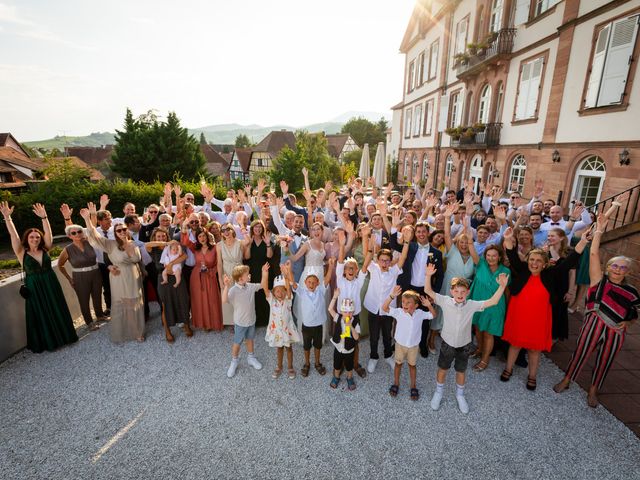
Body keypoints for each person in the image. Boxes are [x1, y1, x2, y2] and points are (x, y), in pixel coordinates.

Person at [554, 213, 639, 407]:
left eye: (623, 268)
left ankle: (593, 389)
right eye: (614, 266)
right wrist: (599, 231)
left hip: (616, 330)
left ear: (628, 272)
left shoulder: (631, 291)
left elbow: (634, 312)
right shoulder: (598, 281)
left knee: (606, 360)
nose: (618, 269)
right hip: (594, 324)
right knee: (581, 352)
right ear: (608, 268)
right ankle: (567, 379)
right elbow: (593, 254)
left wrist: (628, 322)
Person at [500, 226, 589, 390]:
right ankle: (508, 369)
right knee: (515, 345)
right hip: (519, 316)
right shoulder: (522, 271)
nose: (534, 263)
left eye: (538, 261)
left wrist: (583, 241)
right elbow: (512, 255)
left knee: (534, 350)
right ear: (527, 261)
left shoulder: (551, 274)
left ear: (545, 263)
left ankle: (532, 376)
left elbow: (570, 261)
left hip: (539, 319)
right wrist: (507, 238)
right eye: (532, 260)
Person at [424, 266, 509, 413]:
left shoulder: (471, 305)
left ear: (468, 292)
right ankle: (438, 392)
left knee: (461, 371)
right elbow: (428, 291)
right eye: (456, 291)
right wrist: (428, 275)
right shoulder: (445, 301)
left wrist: (502, 287)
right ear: (451, 292)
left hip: (464, 345)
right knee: (443, 368)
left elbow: (493, 301)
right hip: (447, 344)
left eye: (463, 291)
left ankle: (460, 395)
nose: (459, 294)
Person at [0, 202, 78, 352]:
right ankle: (49, 341)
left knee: (56, 307)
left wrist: (44, 217)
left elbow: (48, 234)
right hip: (34, 286)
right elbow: (14, 236)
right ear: (27, 239)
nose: (35, 239)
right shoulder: (21, 252)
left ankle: (65, 336)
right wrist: (7, 218)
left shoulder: (45, 249)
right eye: (31, 237)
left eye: (37, 237)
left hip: (50, 282)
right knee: (40, 311)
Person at [81, 203, 146, 342]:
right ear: (115, 233)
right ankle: (135, 331)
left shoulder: (133, 244)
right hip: (119, 277)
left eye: (123, 229)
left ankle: (137, 326)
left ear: (127, 230)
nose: (122, 232)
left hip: (134, 275)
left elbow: (138, 258)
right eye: (119, 231)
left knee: (136, 302)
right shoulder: (110, 245)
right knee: (126, 302)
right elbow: (94, 235)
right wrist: (88, 219)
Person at [364, 227, 409, 374]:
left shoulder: (394, 271)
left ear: (390, 262)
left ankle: (388, 355)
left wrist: (407, 242)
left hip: (388, 309)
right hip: (373, 308)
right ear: (378, 260)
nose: (384, 263)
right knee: (374, 335)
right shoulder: (373, 268)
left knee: (387, 334)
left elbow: (402, 258)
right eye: (382, 260)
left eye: (387, 261)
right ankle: (373, 356)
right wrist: (369, 243)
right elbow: (367, 256)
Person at [383, 286, 435, 401]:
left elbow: (433, 315)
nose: (404, 304)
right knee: (398, 364)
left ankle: (413, 386)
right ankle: (396, 383)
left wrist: (429, 305)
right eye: (403, 302)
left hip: (413, 346)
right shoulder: (399, 312)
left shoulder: (420, 313)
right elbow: (384, 308)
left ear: (416, 305)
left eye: (408, 302)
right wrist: (392, 296)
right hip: (400, 345)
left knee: (412, 365)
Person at [287, 258, 335, 378]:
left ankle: (317, 362)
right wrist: (288, 270)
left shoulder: (320, 290)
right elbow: (293, 282)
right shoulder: (302, 292)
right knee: (307, 346)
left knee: (318, 345)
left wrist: (331, 267)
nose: (311, 284)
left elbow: (328, 279)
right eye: (309, 282)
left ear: (318, 283)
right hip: (307, 325)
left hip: (318, 324)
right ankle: (307, 363)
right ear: (305, 283)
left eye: (314, 282)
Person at [145, 227, 191, 343]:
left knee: (183, 300)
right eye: (159, 236)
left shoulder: (173, 246)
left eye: (164, 236)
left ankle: (186, 325)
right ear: (155, 237)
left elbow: (184, 256)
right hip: (163, 278)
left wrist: (171, 264)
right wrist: (165, 243)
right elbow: (147, 244)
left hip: (177, 276)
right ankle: (167, 330)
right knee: (165, 304)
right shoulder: (153, 249)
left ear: (167, 236)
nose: (161, 237)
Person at [57, 224, 106, 330]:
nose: (77, 234)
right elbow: (60, 265)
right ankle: (89, 322)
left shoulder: (90, 242)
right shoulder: (67, 249)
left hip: (96, 273)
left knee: (97, 295)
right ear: (70, 236)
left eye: (79, 231)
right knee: (84, 299)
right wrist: (69, 279)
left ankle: (100, 315)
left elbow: (92, 229)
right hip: (80, 277)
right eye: (74, 233)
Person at [470, 245, 510, 371]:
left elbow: (506, 291)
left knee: (488, 333)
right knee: (477, 329)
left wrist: (507, 308)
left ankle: (485, 359)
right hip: (478, 302)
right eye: (488, 255)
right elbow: (472, 249)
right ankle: (479, 349)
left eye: (494, 255)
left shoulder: (505, 271)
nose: (491, 258)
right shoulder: (480, 264)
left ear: (499, 257)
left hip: (495, 306)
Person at [222, 264, 266, 378]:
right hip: (240, 322)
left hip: (251, 320)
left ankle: (251, 357)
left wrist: (264, 272)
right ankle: (234, 361)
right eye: (247, 274)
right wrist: (226, 286)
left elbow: (262, 285)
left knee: (250, 339)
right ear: (241, 278)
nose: (249, 275)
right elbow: (224, 300)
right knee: (237, 343)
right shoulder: (233, 291)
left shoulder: (250, 286)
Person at [182, 225, 223, 332]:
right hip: (197, 276)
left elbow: (219, 263)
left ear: (207, 236)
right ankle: (204, 323)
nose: (202, 238)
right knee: (199, 300)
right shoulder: (195, 248)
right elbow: (185, 241)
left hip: (211, 275)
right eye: (199, 236)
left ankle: (214, 322)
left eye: (203, 236)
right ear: (197, 238)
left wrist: (212, 272)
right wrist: (184, 227)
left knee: (212, 299)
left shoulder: (215, 247)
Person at [264, 263, 300, 379]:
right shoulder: (272, 300)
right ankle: (279, 366)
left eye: (282, 290)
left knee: (289, 348)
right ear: (273, 292)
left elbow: (289, 289)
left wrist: (286, 275)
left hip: (287, 330)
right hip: (277, 331)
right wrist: (265, 273)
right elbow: (265, 288)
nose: (280, 293)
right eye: (277, 291)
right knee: (279, 348)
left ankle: (290, 367)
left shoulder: (288, 300)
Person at [243, 219, 274, 327]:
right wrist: (249, 245)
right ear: (252, 229)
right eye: (255, 227)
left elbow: (269, 256)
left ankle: (266, 320)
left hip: (264, 269)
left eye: (260, 227)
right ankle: (254, 320)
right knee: (253, 295)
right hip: (252, 271)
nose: (258, 229)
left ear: (262, 229)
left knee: (264, 293)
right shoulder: (249, 241)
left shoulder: (266, 240)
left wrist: (268, 244)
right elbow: (247, 257)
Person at [329, 293, 361, 390]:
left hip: (349, 350)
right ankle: (336, 377)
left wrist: (350, 326)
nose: (348, 314)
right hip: (339, 347)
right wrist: (335, 297)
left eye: (350, 312)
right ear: (341, 311)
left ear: (353, 312)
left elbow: (356, 337)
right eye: (346, 312)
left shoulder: (355, 322)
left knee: (349, 366)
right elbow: (330, 309)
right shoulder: (338, 318)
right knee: (337, 364)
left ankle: (349, 377)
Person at [216, 222, 246, 326]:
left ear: (232, 229)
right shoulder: (219, 245)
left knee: (240, 298)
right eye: (223, 230)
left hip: (239, 273)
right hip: (226, 274)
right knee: (228, 298)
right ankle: (231, 322)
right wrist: (220, 279)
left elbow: (248, 244)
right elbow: (219, 264)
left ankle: (240, 320)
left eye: (228, 229)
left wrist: (242, 225)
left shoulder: (240, 243)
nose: (226, 232)